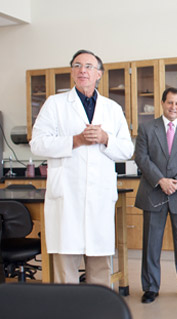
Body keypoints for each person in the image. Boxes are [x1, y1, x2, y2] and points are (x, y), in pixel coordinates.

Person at [30, 49, 134, 286]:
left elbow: (127, 150)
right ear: (72, 72)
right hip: (67, 196)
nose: (82, 70)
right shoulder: (55, 104)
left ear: (99, 73)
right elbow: (37, 143)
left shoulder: (112, 108)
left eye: (88, 66)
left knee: (100, 264)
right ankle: (67, 317)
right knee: (65, 262)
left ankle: (97, 315)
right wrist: (74, 140)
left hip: (99, 197)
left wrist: (106, 138)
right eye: (77, 65)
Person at [134, 87, 177, 304]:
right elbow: (141, 158)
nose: (173, 107)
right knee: (151, 244)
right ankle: (150, 287)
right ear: (162, 103)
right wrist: (160, 180)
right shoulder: (146, 128)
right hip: (154, 192)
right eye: (170, 102)